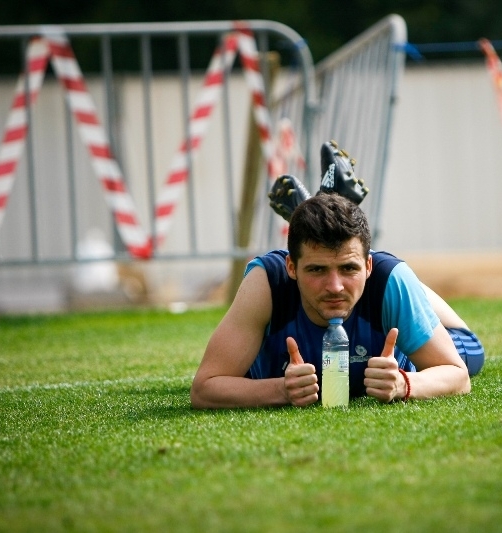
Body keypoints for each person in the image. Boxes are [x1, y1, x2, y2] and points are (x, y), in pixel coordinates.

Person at [190, 142, 484, 409]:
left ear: (367, 267)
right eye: (316, 269)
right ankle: (322, 212)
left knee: (472, 351)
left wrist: (403, 383)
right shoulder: (268, 282)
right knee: (360, 263)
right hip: (363, 270)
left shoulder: (386, 278)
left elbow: (458, 375)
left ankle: (317, 213)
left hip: (385, 280)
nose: (334, 287)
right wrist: (280, 390)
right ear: (291, 267)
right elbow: (205, 389)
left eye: (349, 269)